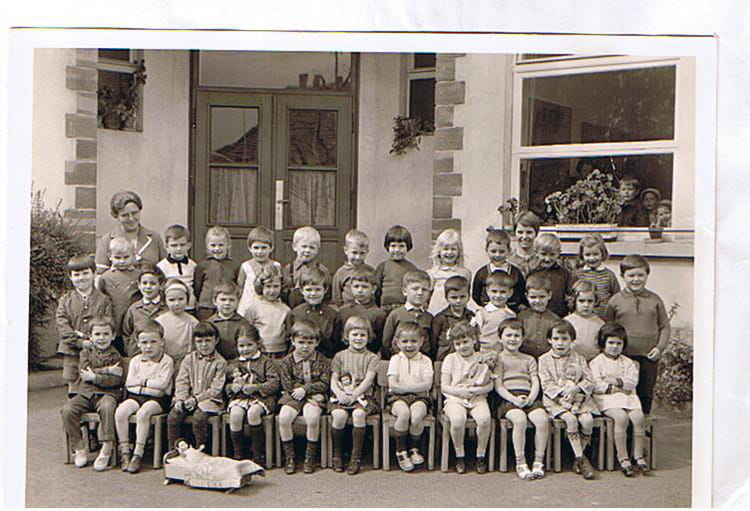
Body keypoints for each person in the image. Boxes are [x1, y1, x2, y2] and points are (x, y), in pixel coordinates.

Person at [604, 254, 670, 415]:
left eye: (640, 275)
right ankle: (624, 427)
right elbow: (607, 328)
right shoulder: (615, 301)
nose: (636, 279)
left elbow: (665, 326)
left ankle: (643, 425)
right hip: (623, 357)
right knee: (623, 393)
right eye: (631, 275)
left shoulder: (655, 300)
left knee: (645, 392)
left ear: (647, 275)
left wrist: (659, 348)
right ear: (622, 276)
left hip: (649, 356)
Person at [61, 316, 123, 471]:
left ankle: (107, 446)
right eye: (97, 334)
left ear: (113, 336)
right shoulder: (85, 353)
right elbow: (84, 373)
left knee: (107, 408)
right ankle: (79, 448)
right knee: (68, 409)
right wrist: (107, 370)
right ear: (90, 336)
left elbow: (115, 381)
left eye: (106, 334)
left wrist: (94, 377)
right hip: (86, 393)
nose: (101, 338)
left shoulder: (116, 356)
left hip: (107, 394)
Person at [538, 320, 598, 480]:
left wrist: (576, 389)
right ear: (549, 340)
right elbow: (546, 384)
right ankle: (581, 460)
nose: (560, 343)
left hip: (579, 399)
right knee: (571, 420)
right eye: (556, 339)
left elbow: (590, 380)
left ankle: (578, 457)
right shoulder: (544, 360)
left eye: (565, 339)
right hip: (556, 401)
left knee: (587, 421)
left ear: (572, 341)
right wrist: (563, 393)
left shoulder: (579, 358)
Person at [115, 319, 175, 473]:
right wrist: (149, 386)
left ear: (162, 342)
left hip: (158, 400)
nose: (148, 346)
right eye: (144, 342)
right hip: (136, 396)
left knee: (144, 413)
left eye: (153, 342)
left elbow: (162, 385)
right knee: (121, 411)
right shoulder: (135, 360)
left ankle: (138, 453)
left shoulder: (166, 361)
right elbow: (129, 383)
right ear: (138, 343)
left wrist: (141, 383)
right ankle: (125, 451)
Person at [590, 322, 650, 476]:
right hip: (606, 399)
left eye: (618, 343)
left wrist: (614, 380)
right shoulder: (597, 362)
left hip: (628, 397)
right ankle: (623, 458)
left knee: (638, 417)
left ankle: (638, 456)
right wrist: (618, 386)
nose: (614, 347)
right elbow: (597, 384)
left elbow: (631, 382)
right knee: (621, 417)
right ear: (603, 343)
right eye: (611, 343)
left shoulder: (628, 362)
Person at [494, 318, 550, 480]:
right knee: (519, 420)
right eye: (508, 335)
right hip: (508, 398)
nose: (513, 339)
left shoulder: (529, 359)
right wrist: (514, 399)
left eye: (517, 335)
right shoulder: (498, 359)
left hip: (528, 396)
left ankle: (538, 461)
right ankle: (521, 462)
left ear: (522, 338)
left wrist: (531, 397)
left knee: (542, 420)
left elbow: (535, 381)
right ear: (500, 338)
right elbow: (498, 386)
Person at [277, 320, 331, 474]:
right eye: (301, 342)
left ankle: (310, 457)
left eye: (310, 343)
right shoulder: (287, 361)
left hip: (315, 396)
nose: (305, 346)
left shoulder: (322, 360)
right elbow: (286, 384)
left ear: (317, 343)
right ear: (293, 341)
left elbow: (324, 382)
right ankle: (290, 457)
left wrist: (306, 390)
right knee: (284, 418)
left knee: (312, 418)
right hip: (292, 396)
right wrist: (299, 392)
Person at [329, 316, 380, 474]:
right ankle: (337, 455)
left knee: (358, 414)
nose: (359, 338)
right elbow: (333, 380)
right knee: (338, 415)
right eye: (355, 334)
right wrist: (340, 393)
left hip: (363, 397)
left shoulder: (372, 358)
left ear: (368, 337)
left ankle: (355, 457)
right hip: (342, 395)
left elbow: (368, 380)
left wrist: (354, 395)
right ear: (347, 336)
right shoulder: (339, 356)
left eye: (363, 335)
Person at [440, 321, 493, 474]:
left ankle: (480, 455)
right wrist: (459, 392)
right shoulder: (450, 359)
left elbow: (490, 384)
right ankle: (459, 455)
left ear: (474, 340)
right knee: (457, 420)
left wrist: (479, 390)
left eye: (465, 342)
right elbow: (444, 386)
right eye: (458, 344)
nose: (462, 346)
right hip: (455, 398)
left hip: (477, 397)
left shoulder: (482, 358)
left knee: (484, 419)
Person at [56, 255, 113, 393]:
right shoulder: (65, 300)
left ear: (94, 274)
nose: (81, 278)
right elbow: (63, 326)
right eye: (76, 275)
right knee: (74, 388)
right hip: (72, 352)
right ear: (70, 277)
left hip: (97, 352)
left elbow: (107, 323)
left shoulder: (103, 300)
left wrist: (93, 340)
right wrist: (79, 342)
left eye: (85, 273)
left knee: (94, 386)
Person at [167, 322, 227, 451]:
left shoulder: (220, 362)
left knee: (199, 418)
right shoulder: (189, 359)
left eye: (208, 341)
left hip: (210, 401)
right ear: (194, 342)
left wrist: (197, 399)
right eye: (199, 341)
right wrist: (180, 399)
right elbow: (182, 381)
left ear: (216, 340)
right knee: (173, 416)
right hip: (189, 399)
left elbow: (216, 388)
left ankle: (201, 449)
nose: (204, 345)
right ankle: (174, 450)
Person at [225, 326, 279, 467]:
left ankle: (258, 454)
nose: (245, 349)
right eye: (241, 346)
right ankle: (239, 453)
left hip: (262, 398)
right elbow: (225, 385)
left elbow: (274, 383)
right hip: (240, 398)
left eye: (249, 345)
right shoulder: (234, 364)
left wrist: (257, 387)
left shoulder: (266, 362)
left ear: (258, 343)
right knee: (235, 415)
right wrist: (232, 387)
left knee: (253, 413)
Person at [386, 321, 434, 472]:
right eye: (405, 341)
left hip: (420, 398)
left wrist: (404, 388)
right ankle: (401, 451)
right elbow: (393, 385)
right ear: (397, 342)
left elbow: (427, 385)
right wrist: (412, 388)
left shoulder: (425, 360)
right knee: (404, 413)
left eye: (413, 341)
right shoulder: (395, 359)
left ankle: (414, 448)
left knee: (416, 415)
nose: (409, 345)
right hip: (397, 398)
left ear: (421, 341)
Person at [94, 190, 166, 274]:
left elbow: (165, 269)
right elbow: (100, 273)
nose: (131, 219)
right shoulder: (107, 240)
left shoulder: (154, 238)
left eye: (135, 213)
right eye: (125, 215)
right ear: (116, 216)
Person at [97, 236, 140, 354]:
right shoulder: (106, 277)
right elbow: (100, 299)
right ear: (110, 256)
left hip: (133, 322)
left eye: (126, 257)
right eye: (117, 257)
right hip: (114, 322)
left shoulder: (138, 275)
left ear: (133, 255)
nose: (121, 261)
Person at [288, 266, 344, 358]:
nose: (313, 293)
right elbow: (290, 343)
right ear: (302, 290)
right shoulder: (295, 314)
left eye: (317, 289)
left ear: (325, 290)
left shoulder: (333, 315)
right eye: (309, 290)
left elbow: (336, 345)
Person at [381, 270, 434, 358]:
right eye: (415, 289)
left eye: (424, 289)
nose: (420, 293)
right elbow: (386, 342)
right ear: (405, 291)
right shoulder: (396, 315)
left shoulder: (429, 317)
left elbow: (432, 344)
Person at [472, 228, 526, 312]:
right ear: (487, 250)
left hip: (511, 312)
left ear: (509, 251)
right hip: (488, 313)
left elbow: (521, 294)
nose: (497, 255)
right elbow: (476, 295)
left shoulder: (515, 273)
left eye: (502, 251)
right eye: (493, 251)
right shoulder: (482, 273)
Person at [244, 264, 291, 359]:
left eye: (276, 286)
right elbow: (248, 330)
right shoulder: (253, 308)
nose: (272, 291)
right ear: (261, 287)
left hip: (280, 351)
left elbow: (288, 332)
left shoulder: (285, 309)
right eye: (268, 286)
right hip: (260, 351)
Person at [194, 226, 241, 320]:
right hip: (206, 307)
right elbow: (197, 286)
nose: (217, 248)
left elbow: (238, 286)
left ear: (228, 245)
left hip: (227, 306)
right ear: (207, 246)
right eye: (213, 245)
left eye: (221, 245)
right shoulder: (202, 266)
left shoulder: (235, 266)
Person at [337, 266, 387, 354]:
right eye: (356, 286)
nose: (360, 290)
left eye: (365, 287)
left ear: (373, 289)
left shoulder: (379, 314)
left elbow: (380, 341)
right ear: (351, 288)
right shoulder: (343, 311)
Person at [281, 226, 332, 308]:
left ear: (317, 250)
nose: (307, 250)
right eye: (304, 246)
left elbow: (328, 296)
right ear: (294, 246)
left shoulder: (322, 270)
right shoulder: (288, 269)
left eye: (312, 247)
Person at [122, 264, 167, 357]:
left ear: (161, 285)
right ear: (139, 285)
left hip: (161, 356)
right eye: (144, 283)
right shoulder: (134, 309)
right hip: (138, 355)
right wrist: (130, 350)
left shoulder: (166, 308)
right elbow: (127, 332)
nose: (148, 287)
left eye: (153, 283)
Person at [528, 233, 576, 318]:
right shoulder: (532, 273)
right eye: (543, 254)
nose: (547, 259)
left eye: (552, 254)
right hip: (537, 315)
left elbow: (571, 293)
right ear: (536, 253)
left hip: (559, 315)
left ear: (558, 253)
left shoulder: (564, 273)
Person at [236, 226, 282, 317]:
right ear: (250, 248)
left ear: (271, 248)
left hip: (269, 306)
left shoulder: (276, 266)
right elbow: (240, 288)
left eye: (264, 248)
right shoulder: (245, 266)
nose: (260, 252)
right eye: (256, 248)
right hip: (248, 305)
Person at [374, 225, 419, 314]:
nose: (397, 250)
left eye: (401, 246)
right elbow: (376, 290)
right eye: (393, 246)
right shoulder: (383, 267)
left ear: (408, 247)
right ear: (387, 247)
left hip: (404, 308)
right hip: (385, 308)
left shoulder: (412, 268)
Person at [427, 228, 472, 315]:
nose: (449, 252)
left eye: (453, 249)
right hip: (437, 311)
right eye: (445, 249)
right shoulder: (432, 274)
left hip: (458, 312)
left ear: (459, 252)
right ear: (439, 251)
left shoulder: (464, 273)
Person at [155, 279, 199, 366]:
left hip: (187, 363)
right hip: (164, 363)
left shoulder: (193, 322)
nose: (177, 303)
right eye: (172, 300)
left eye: (181, 299)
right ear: (165, 300)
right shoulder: (159, 322)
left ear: (187, 299)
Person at [575, 234, 619, 319]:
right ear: (582, 255)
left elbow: (616, 297)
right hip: (582, 318)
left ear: (602, 254)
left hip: (604, 318)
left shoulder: (609, 275)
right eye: (587, 255)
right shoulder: (578, 274)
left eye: (595, 254)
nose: (592, 258)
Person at [156, 225, 198, 314]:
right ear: (166, 247)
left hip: (189, 308)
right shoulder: (161, 266)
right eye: (174, 245)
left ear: (189, 245)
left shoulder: (193, 265)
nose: (179, 249)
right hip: (169, 308)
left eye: (182, 245)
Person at [207, 280, 252, 361]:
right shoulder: (209, 323)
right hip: (214, 362)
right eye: (223, 299)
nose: (227, 303)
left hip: (238, 362)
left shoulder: (243, 323)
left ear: (238, 302)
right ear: (214, 301)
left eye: (231, 300)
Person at [432, 275, 474, 361]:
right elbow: (433, 342)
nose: (458, 301)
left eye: (462, 297)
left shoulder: (471, 317)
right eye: (454, 297)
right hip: (444, 360)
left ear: (469, 296)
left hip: (466, 360)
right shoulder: (440, 318)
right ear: (446, 298)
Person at [517, 274, 559, 359]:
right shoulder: (521, 317)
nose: (537, 301)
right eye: (533, 297)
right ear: (526, 296)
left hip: (547, 359)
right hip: (525, 358)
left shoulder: (555, 319)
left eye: (542, 297)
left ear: (549, 295)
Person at [470, 271, 516, 350]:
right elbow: (473, 335)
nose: (498, 295)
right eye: (494, 291)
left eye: (503, 292)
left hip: (504, 353)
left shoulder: (511, 315)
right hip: (484, 352)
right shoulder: (482, 313)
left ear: (510, 293)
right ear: (487, 291)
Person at [331, 229, 375, 307]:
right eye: (354, 252)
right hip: (348, 310)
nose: (358, 257)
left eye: (362, 253)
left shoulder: (370, 271)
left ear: (367, 252)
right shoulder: (341, 273)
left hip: (367, 309)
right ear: (346, 250)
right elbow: (336, 296)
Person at [566, 280, 605, 361]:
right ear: (574, 301)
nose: (586, 305)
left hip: (593, 362)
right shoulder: (567, 322)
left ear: (595, 301)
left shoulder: (600, 323)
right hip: (571, 362)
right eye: (581, 301)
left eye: (590, 301)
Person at [508, 210, 542, 277]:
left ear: (536, 233)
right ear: (515, 233)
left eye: (529, 232)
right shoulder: (508, 261)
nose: (524, 237)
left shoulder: (541, 260)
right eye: (520, 232)